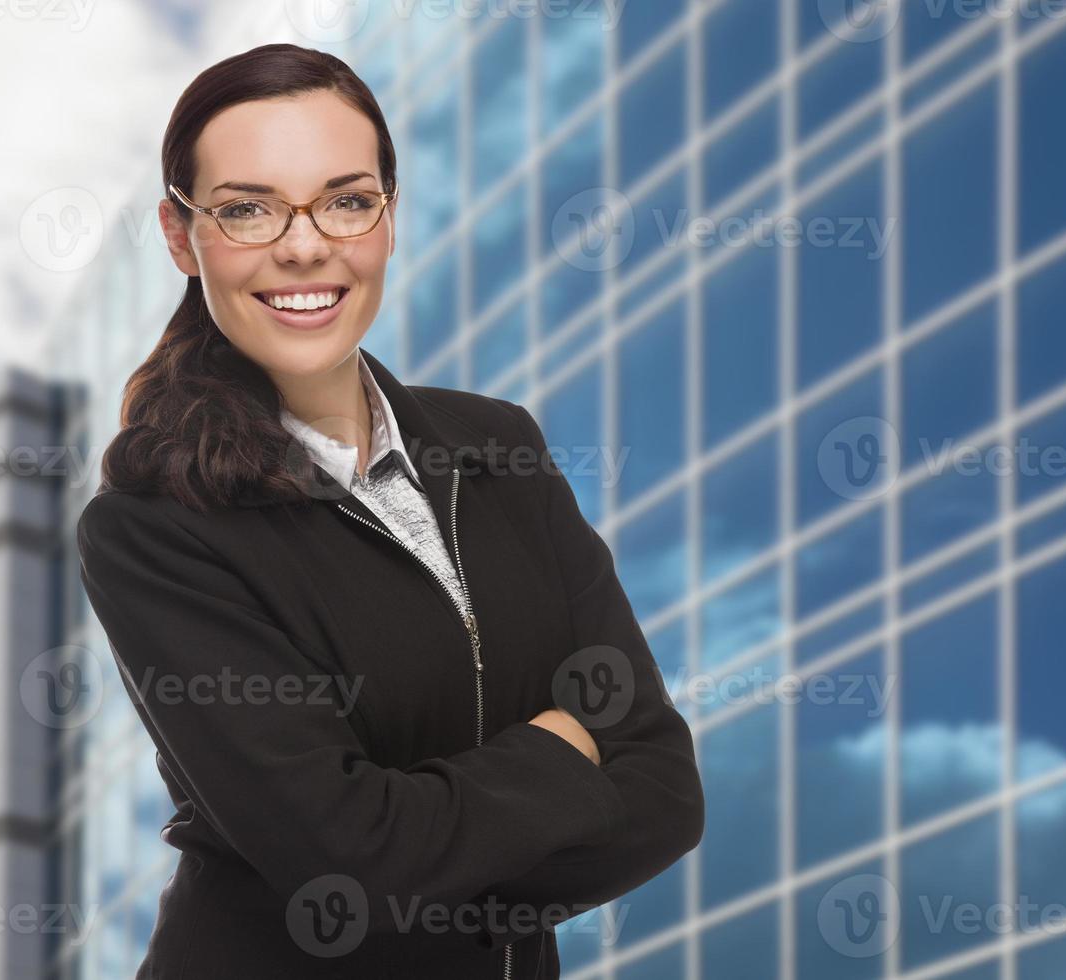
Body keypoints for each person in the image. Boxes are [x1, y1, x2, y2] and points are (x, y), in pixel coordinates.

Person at [75, 42, 703, 979]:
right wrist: (564, 750)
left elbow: (661, 785)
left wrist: (423, 872)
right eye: (247, 209)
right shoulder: (153, 528)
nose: (304, 243)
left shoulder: (500, 447)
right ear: (180, 235)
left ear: (389, 216)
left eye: (346, 199)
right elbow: (346, 863)